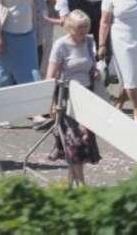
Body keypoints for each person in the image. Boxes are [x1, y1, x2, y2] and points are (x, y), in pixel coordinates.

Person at [46, 10, 102, 185]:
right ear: (70, 28)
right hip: (67, 97)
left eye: (86, 26)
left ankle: (71, 184)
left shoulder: (89, 42)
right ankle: (82, 185)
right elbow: (50, 77)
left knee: (84, 141)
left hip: (87, 96)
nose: (84, 31)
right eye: (80, 27)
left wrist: (96, 72)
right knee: (74, 142)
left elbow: (92, 66)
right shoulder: (60, 45)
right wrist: (51, 103)